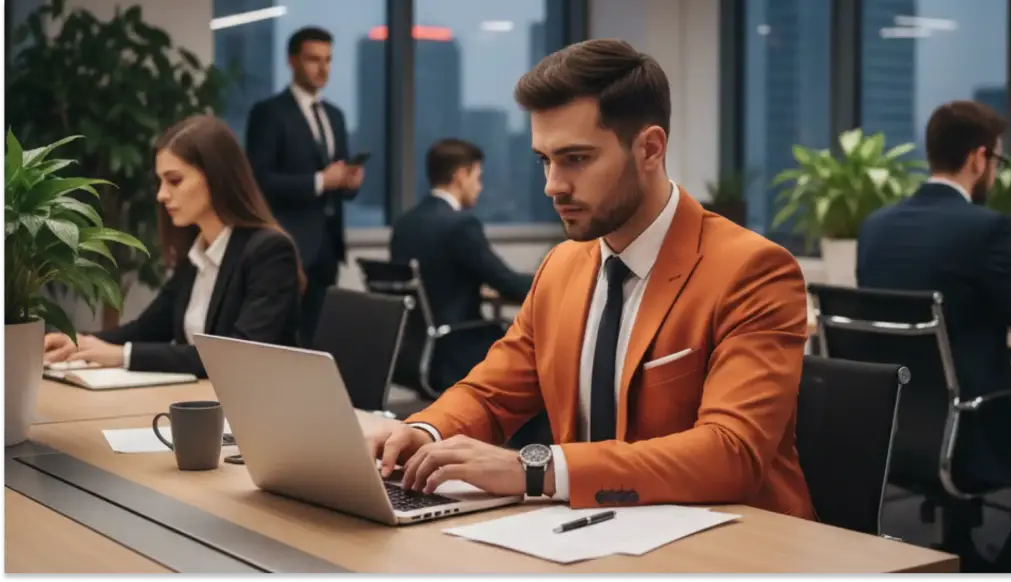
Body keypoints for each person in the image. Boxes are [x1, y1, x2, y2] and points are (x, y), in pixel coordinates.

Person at [366, 39, 814, 517]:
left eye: (576, 159)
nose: (552, 185)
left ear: (650, 149)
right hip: (592, 532)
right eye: (545, 159)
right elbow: (490, 394)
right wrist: (423, 432)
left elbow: (731, 454)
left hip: (734, 539)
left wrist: (536, 469)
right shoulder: (562, 266)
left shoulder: (752, 271)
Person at [856, 101, 1011, 567]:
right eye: (997, 162)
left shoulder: (875, 228)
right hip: (974, 426)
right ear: (977, 158)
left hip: (894, 427)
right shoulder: (987, 229)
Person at [43, 115, 304, 378]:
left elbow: (237, 355)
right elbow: (148, 329)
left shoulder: (270, 252)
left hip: (258, 409)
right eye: (160, 182)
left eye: (175, 181)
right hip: (206, 401)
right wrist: (80, 343)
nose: (161, 195)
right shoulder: (197, 252)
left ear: (216, 177)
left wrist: (123, 355)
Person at [245, 26, 364, 343]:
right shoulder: (269, 113)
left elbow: (339, 182)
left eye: (328, 60)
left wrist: (349, 182)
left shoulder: (335, 116)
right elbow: (259, 180)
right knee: (284, 336)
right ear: (292, 61)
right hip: (288, 244)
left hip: (328, 244)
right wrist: (320, 181)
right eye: (314, 59)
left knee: (319, 334)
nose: (323, 68)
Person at [390, 138, 535, 396]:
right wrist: (555, 282)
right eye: (477, 178)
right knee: (531, 357)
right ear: (460, 176)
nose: (479, 188)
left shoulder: (404, 225)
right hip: (456, 347)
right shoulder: (459, 226)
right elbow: (505, 281)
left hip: (413, 350)